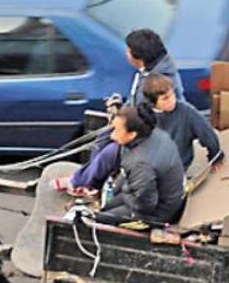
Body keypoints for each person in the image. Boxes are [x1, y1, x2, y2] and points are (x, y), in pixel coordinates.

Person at [65, 29, 184, 192]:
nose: (126, 53)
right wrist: (121, 110)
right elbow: (136, 106)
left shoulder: (157, 84)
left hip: (157, 139)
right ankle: (90, 181)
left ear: (139, 58)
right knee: (103, 137)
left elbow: (146, 122)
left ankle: (81, 183)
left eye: (128, 50)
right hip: (143, 126)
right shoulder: (147, 73)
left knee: (111, 153)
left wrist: (123, 122)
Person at [96, 104, 185, 225]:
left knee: (101, 218)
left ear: (132, 134)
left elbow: (146, 205)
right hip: (159, 191)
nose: (112, 135)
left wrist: (125, 193)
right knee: (107, 205)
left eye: (116, 130)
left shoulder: (140, 163)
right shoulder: (154, 134)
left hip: (158, 213)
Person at [142, 74, 225, 170]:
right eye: (165, 98)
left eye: (172, 94)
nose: (172, 100)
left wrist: (216, 156)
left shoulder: (186, 111)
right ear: (153, 102)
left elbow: (206, 133)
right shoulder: (143, 115)